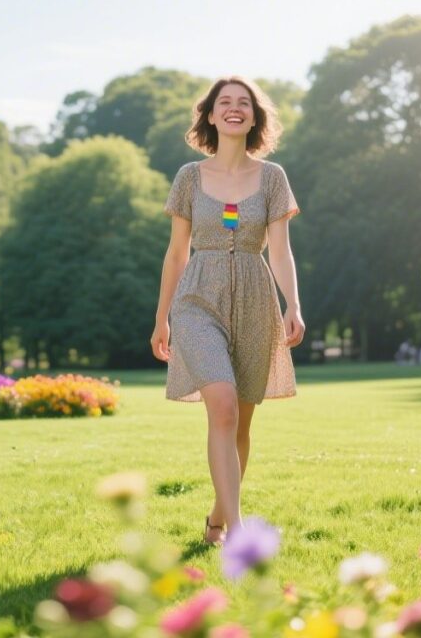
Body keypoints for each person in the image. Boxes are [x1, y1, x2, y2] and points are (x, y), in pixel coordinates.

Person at [151, 76, 304, 547]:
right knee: (221, 406)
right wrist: (161, 317)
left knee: (239, 423)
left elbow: (280, 251)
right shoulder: (189, 177)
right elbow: (176, 253)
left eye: (244, 103)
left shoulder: (273, 177)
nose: (234, 108)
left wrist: (293, 304)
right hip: (198, 299)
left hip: (256, 300)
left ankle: (217, 519)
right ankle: (238, 533)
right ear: (211, 115)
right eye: (225, 102)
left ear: (254, 117)